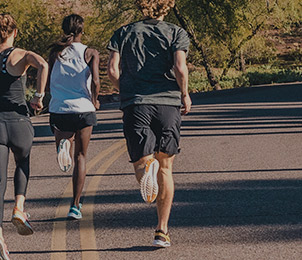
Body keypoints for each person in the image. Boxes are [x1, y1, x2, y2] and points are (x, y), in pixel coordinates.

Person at [106, 0, 190, 248]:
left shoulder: (123, 32)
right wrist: (184, 94)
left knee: (141, 162)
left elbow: (112, 69)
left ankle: (146, 165)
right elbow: (179, 67)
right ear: (167, 7)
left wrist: (127, 90)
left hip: (136, 103)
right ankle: (162, 231)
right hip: (167, 103)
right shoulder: (176, 32)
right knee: (167, 168)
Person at [0, 13, 51, 260]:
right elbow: (44, 65)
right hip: (19, 121)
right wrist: (38, 96)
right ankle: (19, 207)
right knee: (23, 163)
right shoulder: (23, 55)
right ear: (14, 32)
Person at [38, 14, 100, 221]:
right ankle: (75, 206)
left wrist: (48, 94)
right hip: (83, 109)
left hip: (59, 109)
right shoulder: (91, 52)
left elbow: (47, 80)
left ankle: (64, 143)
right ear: (82, 30)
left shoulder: (55, 52)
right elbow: (96, 82)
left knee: (65, 142)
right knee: (80, 157)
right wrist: (95, 99)